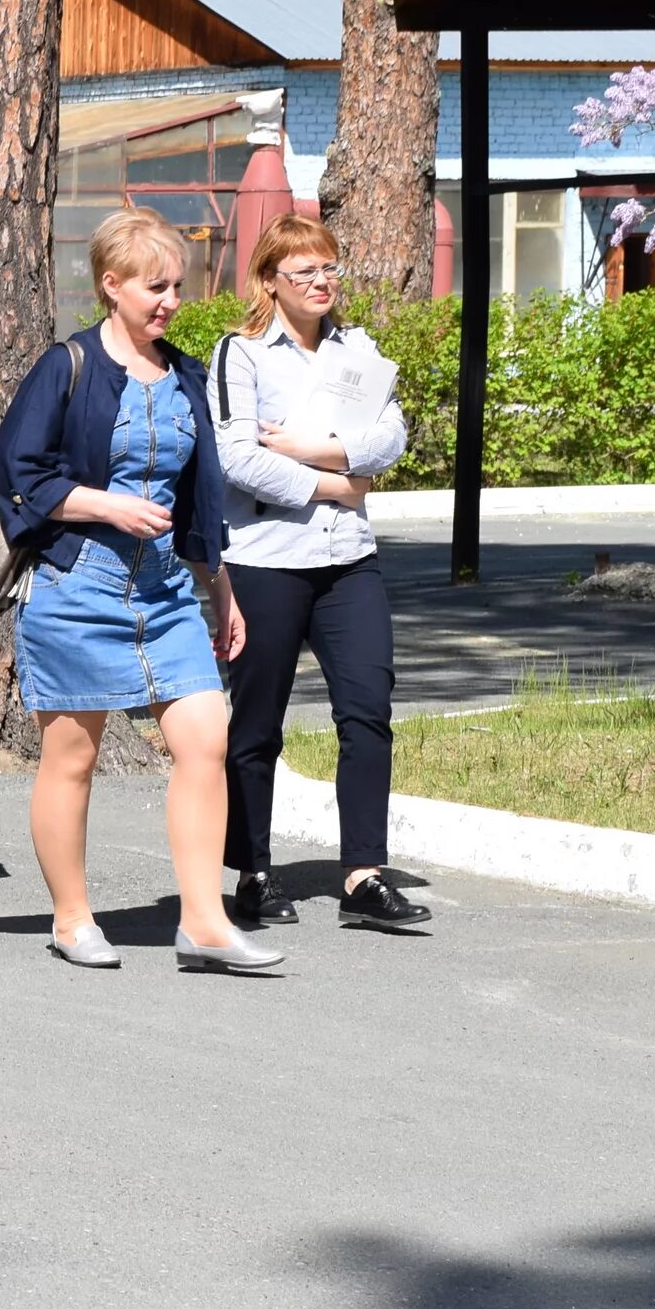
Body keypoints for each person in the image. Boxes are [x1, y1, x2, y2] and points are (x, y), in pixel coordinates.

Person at [0, 205, 279, 975]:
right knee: (71, 758)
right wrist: (102, 503)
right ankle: (72, 916)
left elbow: (201, 499)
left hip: (167, 594)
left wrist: (221, 591)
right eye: (155, 287)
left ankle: (205, 923)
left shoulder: (186, 373)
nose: (171, 301)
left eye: (177, 286)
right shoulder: (69, 364)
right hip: (76, 587)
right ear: (111, 285)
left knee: (204, 742)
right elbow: (19, 475)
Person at [211, 214, 433, 932]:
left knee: (367, 711)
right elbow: (235, 457)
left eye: (329, 268)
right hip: (266, 561)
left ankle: (364, 874)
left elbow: (391, 434)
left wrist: (317, 447)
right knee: (257, 725)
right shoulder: (240, 355)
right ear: (270, 280)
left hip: (349, 563)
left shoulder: (357, 348)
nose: (320, 282)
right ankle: (252, 870)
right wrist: (335, 482)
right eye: (303, 271)